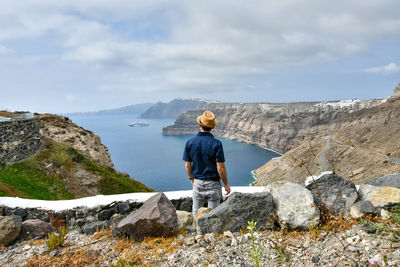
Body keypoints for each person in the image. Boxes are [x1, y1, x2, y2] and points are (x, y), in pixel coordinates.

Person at [183, 110, 231, 217]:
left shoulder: (190, 142)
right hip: (213, 184)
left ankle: (197, 232)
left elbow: (187, 165)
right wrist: (226, 185)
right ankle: (211, 233)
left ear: (200, 124)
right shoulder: (217, 144)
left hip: (197, 183)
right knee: (213, 215)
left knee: (196, 213)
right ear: (212, 127)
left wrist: (191, 179)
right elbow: (220, 169)